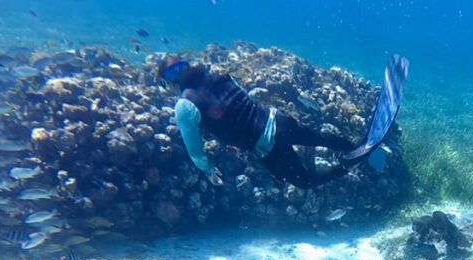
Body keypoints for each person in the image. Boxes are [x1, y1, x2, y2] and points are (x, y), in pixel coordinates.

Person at [158, 54, 408, 189]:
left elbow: (196, 152)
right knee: (319, 138)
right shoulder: (221, 76)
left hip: (266, 145)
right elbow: (241, 104)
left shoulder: (184, 105)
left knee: (305, 182)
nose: (177, 75)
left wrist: (209, 171)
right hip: (278, 119)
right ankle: (360, 145)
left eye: (174, 71)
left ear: (168, 80)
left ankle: (348, 165)